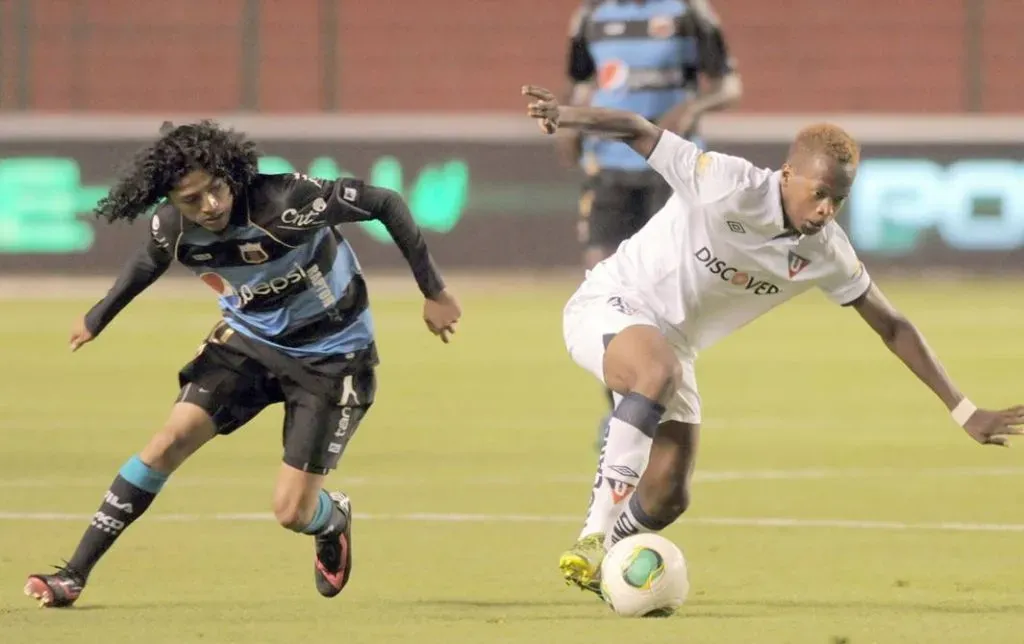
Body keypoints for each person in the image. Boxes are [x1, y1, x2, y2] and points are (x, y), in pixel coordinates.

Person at [522, 85, 1024, 595]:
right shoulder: (723, 181)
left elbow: (892, 325)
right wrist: (566, 115)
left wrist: (963, 409)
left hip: (674, 344)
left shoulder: (827, 252)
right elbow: (637, 127)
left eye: (840, 199)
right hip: (611, 301)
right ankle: (593, 536)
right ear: (788, 175)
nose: (827, 209)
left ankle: (609, 556)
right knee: (656, 371)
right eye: (820, 192)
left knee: (670, 494)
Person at [23, 120, 462, 608]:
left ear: (230, 174)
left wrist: (434, 291)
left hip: (333, 358)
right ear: (170, 199)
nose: (210, 205)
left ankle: (331, 518)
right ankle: (74, 575)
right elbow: (147, 264)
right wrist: (97, 317)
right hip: (248, 343)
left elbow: (385, 203)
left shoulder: (287, 202)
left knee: (290, 512)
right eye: (192, 199)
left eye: (216, 189)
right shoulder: (173, 227)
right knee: (167, 441)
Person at [558, 0, 742, 447]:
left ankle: (652, 408)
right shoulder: (590, 16)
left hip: (670, 171)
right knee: (604, 289)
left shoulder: (688, 12)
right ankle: (621, 412)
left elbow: (728, 85)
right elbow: (584, 85)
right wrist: (570, 124)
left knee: (659, 297)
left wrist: (692, 109)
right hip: (608, 168)